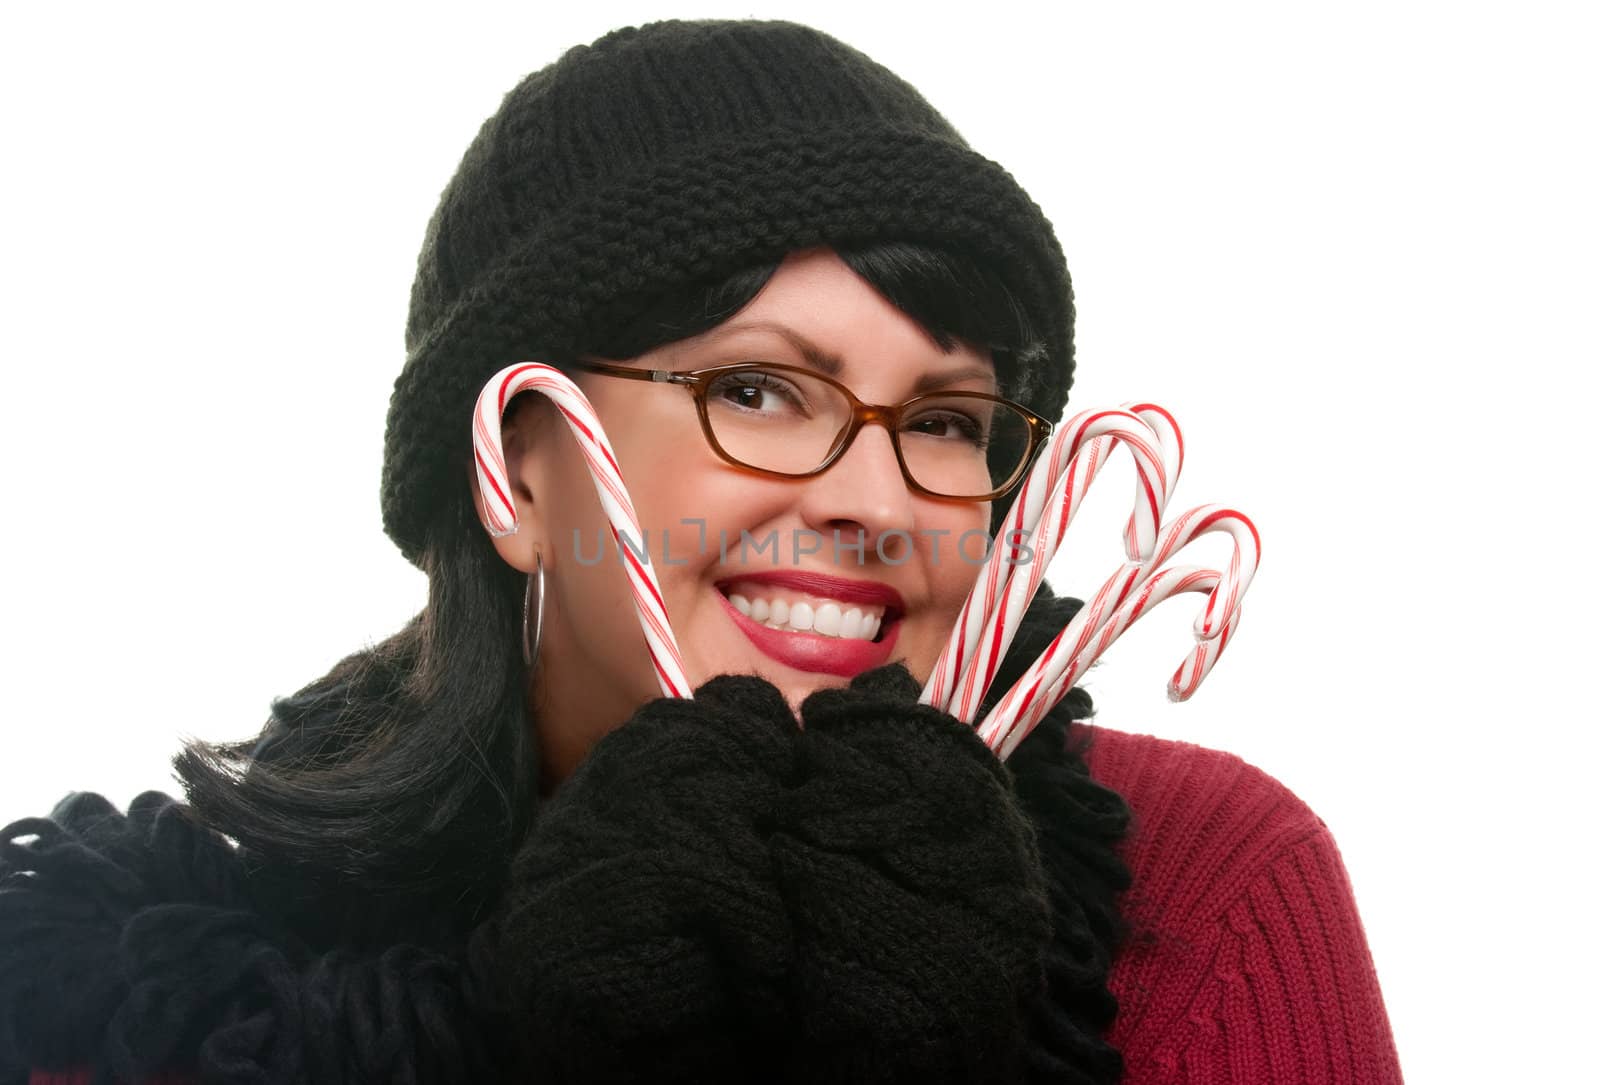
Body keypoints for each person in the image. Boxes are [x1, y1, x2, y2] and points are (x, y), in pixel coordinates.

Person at [0, 19, 1402, 1085]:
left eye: (948, 417)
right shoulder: (165, 990)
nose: (875, 495)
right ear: (514, 471)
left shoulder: (1209, 895)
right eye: (756, 390)